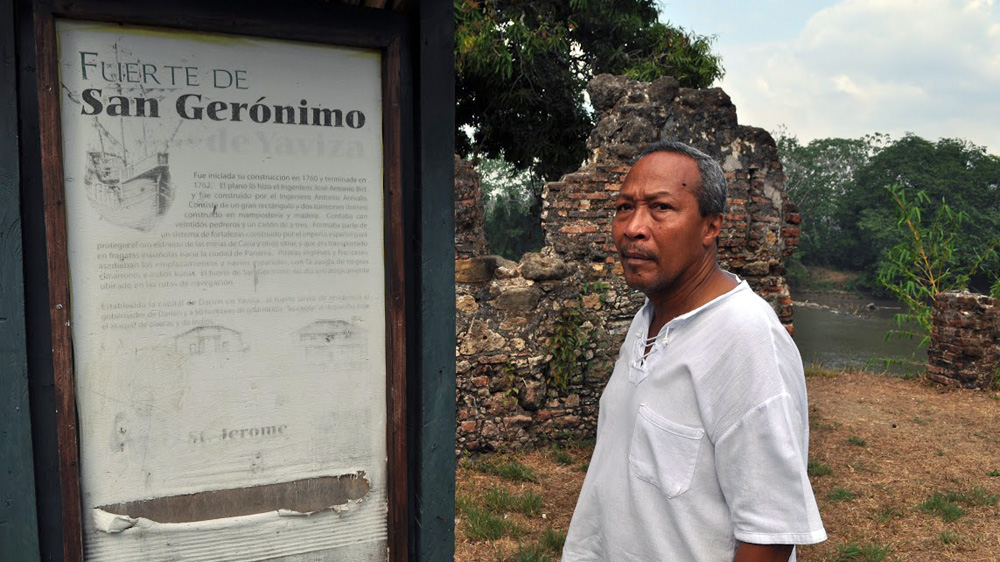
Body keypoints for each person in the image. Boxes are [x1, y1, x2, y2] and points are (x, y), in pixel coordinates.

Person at [562, 141, 826, 561]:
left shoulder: (745, 337)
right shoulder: (650, 317)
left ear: (710, 227)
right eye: (624, 207)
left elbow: (770, 535)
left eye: (660, 208)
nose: (633, 227)